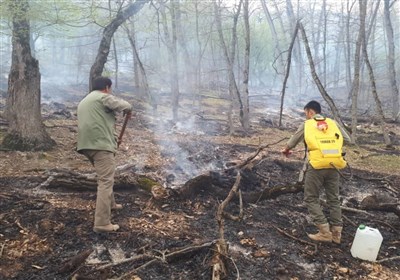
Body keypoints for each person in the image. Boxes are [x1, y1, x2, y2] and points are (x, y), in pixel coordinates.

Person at [281, 100, 351, 244]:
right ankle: (337, 234)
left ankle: (325, 232)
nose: (305, 115)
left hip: (317, 165)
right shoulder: (332, 123)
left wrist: (286, 150)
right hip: (334, 164)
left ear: (310, 111)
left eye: (305, 112)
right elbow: (347, 139)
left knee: (311, 197)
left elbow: (292, 142)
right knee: (333, 198)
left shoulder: (307, 124)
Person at [77, 76, 132, 233]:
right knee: (105, 182)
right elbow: (124, 105)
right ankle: (101, 223)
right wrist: (129, 108)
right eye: (110, 89)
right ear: (107, 87)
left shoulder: (85, 100)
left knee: (106, 177)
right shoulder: (102, 97)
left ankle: (111, 205)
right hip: (100, 145)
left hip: (86, 145)